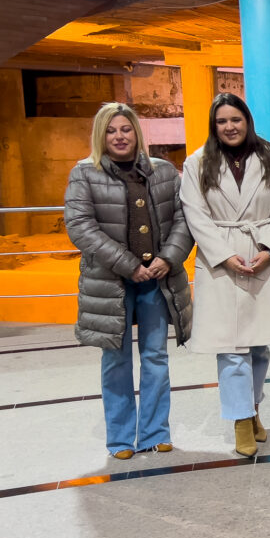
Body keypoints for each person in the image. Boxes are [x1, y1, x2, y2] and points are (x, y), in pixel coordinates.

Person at [64, 102, 193, 459]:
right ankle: (121, 438)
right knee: (116, 360)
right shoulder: (84, 174)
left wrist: (168, 258)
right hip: (111, 284)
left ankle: (155, 432)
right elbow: (80, 227)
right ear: (100, 136)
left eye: (125, 129)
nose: (119, 136)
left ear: (136, 132)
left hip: (157, 280)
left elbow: (184, 220)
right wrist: (128, 265)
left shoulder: (164, 172)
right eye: (111, 130)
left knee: (155, 357)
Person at [180, 93, 270, 457]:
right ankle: (241, 419)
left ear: (247, 121)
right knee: (230, 348)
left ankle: (254, 407)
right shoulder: (196, 163)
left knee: (259, 346)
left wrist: (268, 249)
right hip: (219, 263)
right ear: (214, 125)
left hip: (261, 257)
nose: (229, 127)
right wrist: (225, 257)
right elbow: (195, 215)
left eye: (235, 120)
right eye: (222, 121)